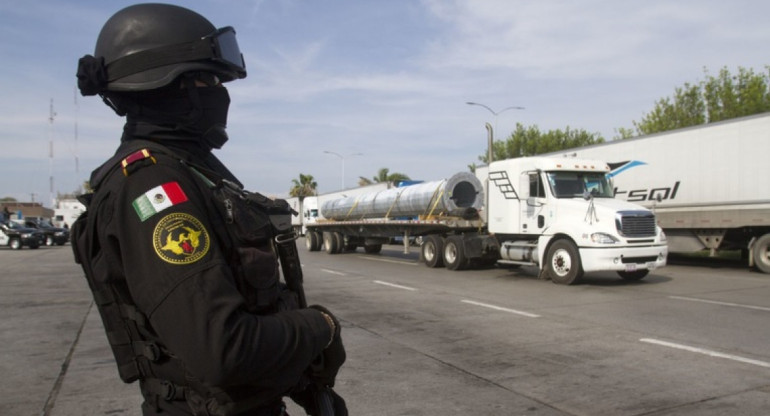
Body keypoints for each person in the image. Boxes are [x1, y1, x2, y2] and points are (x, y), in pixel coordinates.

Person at [72, 4, 346, 416]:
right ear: (169, 83)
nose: (220, 93)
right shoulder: (154, 186)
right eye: (209, 79)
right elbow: (222, 348)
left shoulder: (194, 172)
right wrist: (320, 326)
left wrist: (300, 378)